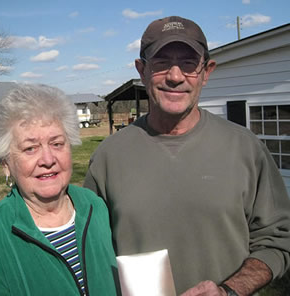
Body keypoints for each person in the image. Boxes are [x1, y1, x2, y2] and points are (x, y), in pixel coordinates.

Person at [84, 16, 290, 295]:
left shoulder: (245, 148)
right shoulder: (108, 157)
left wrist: (230, 290)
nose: (175, 76)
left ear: (207, 72)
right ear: (141, 70)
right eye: (161, 63)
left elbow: (279, 239)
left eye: (189, 63)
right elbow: (91, 251)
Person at [0, 84, 120, 295]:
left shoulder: (95, 206)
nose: (48, 160)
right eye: (30, 148)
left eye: (57, 144)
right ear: (6, 164)